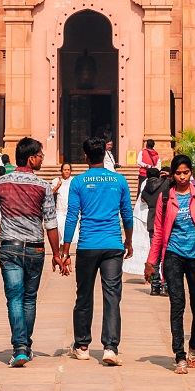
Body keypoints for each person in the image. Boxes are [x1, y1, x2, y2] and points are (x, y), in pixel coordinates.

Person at [0, 137, 62, 367]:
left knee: (14, 297)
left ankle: (20, 348)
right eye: (40, 156)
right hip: (35, 249)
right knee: (29, 298)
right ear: (31, 158)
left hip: (10, 247)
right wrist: (56, 254)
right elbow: (51, 223)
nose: (42, 160)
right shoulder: (43, 186)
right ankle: (25, 344)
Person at [59, 136, 132, 364]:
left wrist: (65, 248)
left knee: (84, 295)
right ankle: (110, 347)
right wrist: (128, 241)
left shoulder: (78, 182)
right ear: (105, 155)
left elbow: (72, 216)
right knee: (112, 296)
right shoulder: (119, 181)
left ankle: (82, 345)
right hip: (112, 245)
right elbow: (127, 214)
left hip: (88, 246)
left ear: (85, 157)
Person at [146, 154, 195, 373]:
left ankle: (194, 346)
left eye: (186, 172)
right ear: (172, 174)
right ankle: (180, 355)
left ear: (191, 172)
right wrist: (151, 262)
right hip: (173, 254)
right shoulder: (166, 197)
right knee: (177, 304)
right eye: (178, 173)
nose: (183, 177)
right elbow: (158, 233)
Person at [139, 161, 171, 296]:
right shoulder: (165, 184)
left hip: (152, 221)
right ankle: (165, 285)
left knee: (155, 254)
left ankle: (154, 285)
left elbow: (143, 200)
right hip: (166, 219)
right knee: (167, 255)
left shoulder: (145, 189)